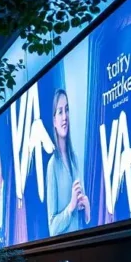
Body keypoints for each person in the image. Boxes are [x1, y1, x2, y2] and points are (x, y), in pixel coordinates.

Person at [46, 89, 90, 238]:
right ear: (54, 121)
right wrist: (70, 206)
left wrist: (85, 207)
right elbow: (52, 228)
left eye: (67, 110)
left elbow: (83, 219)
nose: (64, 117)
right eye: (59, 112)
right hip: (64, 250)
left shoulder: (75, 160)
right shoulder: (52, 166)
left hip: (82, 244)